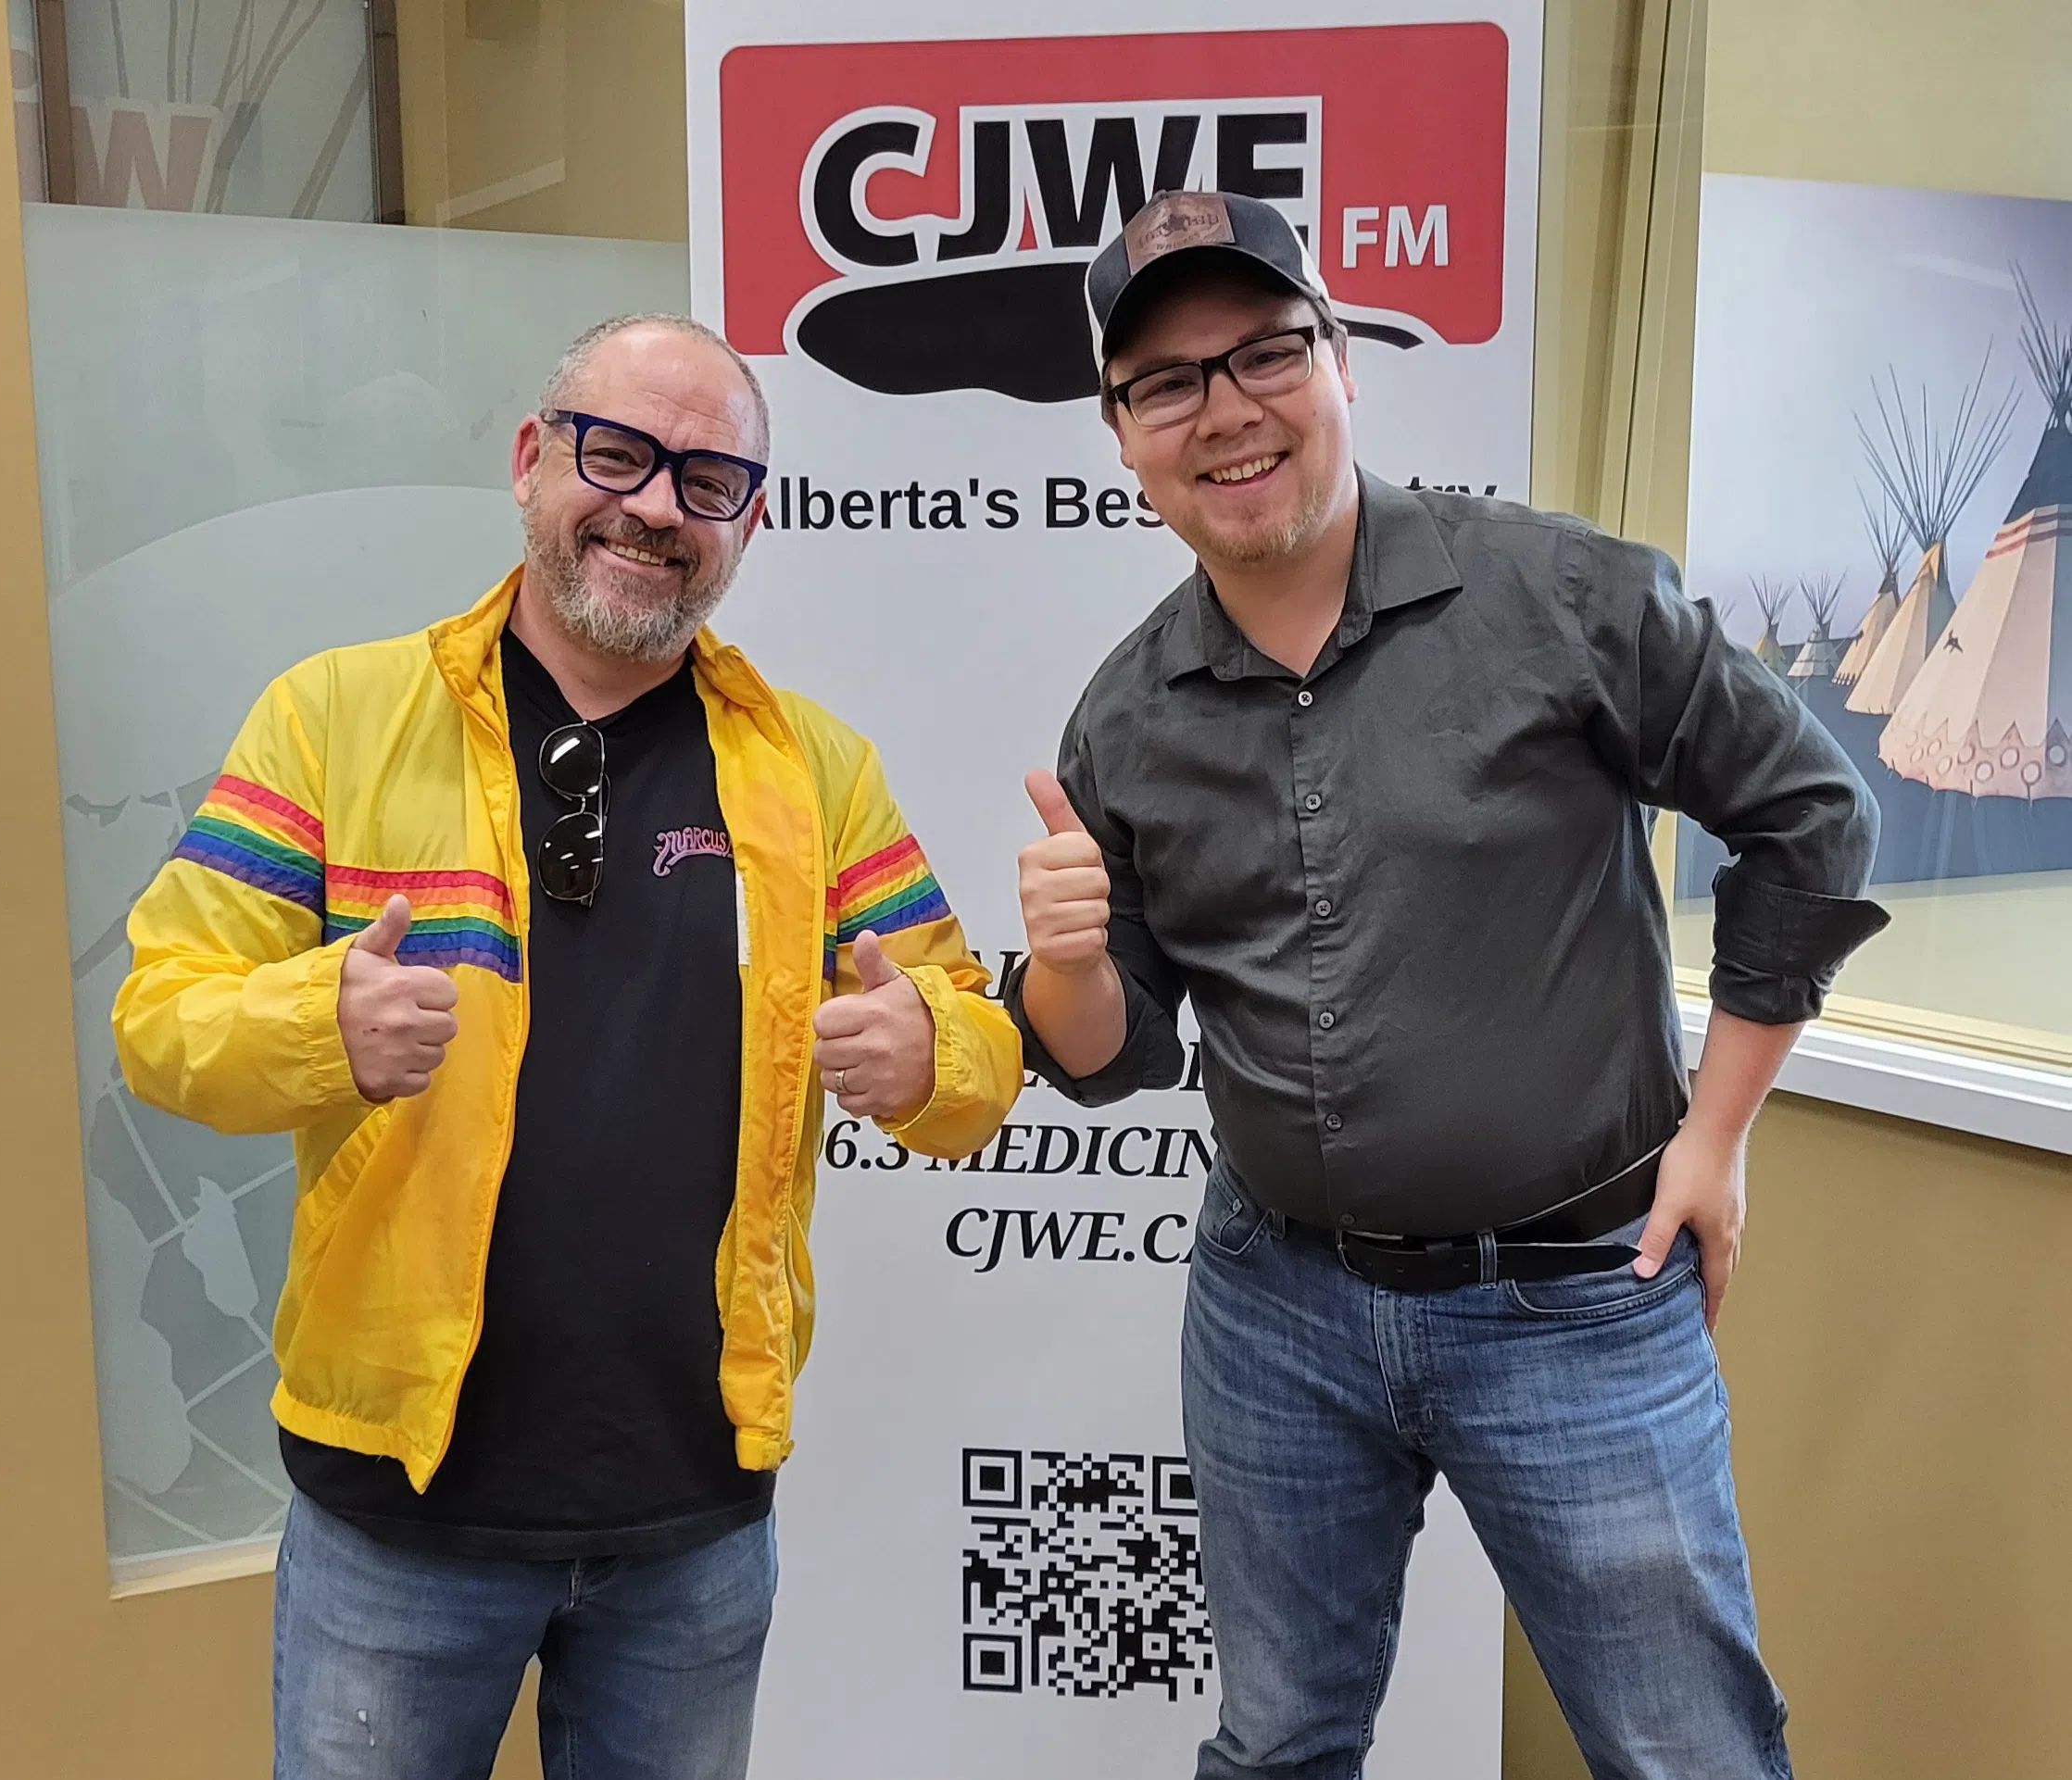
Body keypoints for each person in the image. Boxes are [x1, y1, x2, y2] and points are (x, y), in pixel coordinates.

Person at [1009, 191, 1888, 1780]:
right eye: (1169, 381)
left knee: (1686, 1752)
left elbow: (1811, 816)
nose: (1226, 410)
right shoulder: (1126, 716)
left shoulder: (1566, 598)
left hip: (1580, 1303)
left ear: (1341, 361)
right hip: (1274, 1310)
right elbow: (1110, 1051)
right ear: (1122, 433)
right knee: (1277, 1743)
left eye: (1265, 352)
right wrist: (1064, 965)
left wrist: (1717, 1133)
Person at [114, 312, 1020, 1780]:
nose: (657, 505)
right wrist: (317, 1023)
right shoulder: (335, 720)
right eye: (618, 454)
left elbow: (969, 1035)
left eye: (707, 479)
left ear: (748, 519)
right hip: (398, 1517)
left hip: (694, 1528)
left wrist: (936, 1058)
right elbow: (161, 1016)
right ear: (535, 459)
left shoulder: (815, 770)